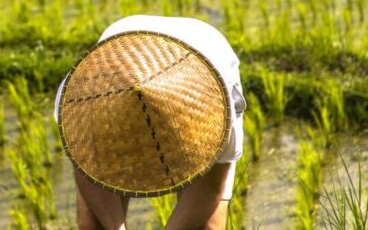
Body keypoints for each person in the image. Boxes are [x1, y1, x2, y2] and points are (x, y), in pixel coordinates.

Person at [53, 15, 246, 230]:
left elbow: (209, 190)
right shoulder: (80, 100)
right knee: (92, 224)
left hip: (208, 47)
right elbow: (88, 176)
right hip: (125, 45)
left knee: (208, 227)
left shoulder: (217, 113)